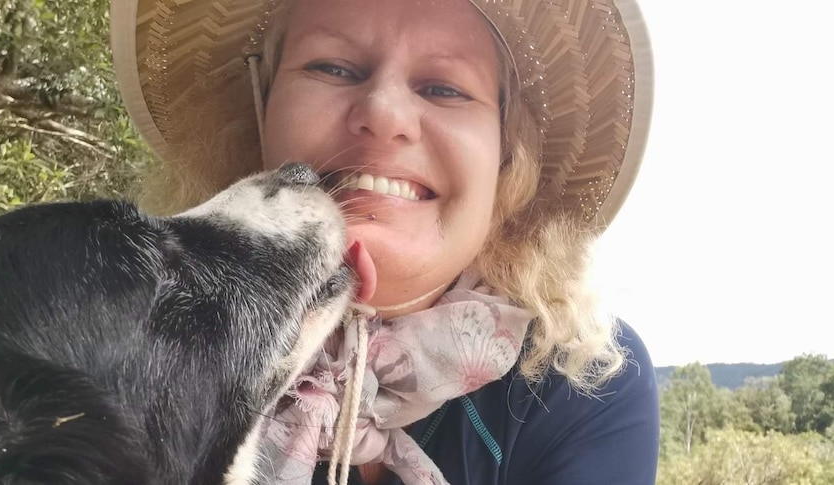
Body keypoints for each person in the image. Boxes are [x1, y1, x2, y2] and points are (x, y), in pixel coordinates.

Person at [111, 0, 659, 483]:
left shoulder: (577, 383)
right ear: (260, 110)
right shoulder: (132, 349)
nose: (384, 114)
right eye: (333, 67)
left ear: (506, 156)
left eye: (444, 88)